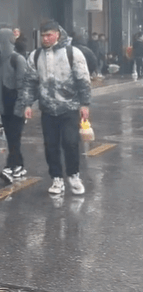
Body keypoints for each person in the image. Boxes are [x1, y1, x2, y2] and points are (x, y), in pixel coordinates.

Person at [23, 21, 91, 195]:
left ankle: (74, 175)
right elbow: (30, 82)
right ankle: (56, 178)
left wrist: (85, 104)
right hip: (47, 109)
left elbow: (83, 80)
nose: (45, 39)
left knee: (70, 143)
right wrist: (27, 104)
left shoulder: (72, 53)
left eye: (49, 35)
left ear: (57, 34)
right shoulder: (35, 56)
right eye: (43, 36)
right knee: (50, 145)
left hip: (69, 107)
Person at [0, 28, 28, 183]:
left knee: (14, 136)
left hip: (16, 105)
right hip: (3, 106)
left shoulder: (18, 60)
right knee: (11, 137)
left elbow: (23, 86)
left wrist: (21, 107)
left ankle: (10, 166)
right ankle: (19, 165)